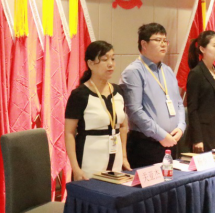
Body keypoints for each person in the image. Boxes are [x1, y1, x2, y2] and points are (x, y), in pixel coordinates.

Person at [121, 23, 186, 168]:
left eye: (165, 40)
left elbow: (179, 103)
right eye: (158, 40)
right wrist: (161, 135)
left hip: (172, 141)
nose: (163, 44)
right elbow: (135, 111)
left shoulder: (167, 71)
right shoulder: (134, 72)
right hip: (146, 144)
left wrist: (181, 127)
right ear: (144, 44)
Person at [65, 41, 130, 180]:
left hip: (116, 159)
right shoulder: (80, 95)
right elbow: (69, 133)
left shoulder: (118, 91)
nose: (111, 64)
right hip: (90, 161)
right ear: (90, 64)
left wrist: (124, 157)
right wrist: (75, 168)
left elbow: (123, 126)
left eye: (113, 59)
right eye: (105, 60)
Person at [186, 30, 215, 152]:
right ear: (202, 49)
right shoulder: (196, 73)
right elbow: (192, 109)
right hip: (204, 133)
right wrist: (197, 139)